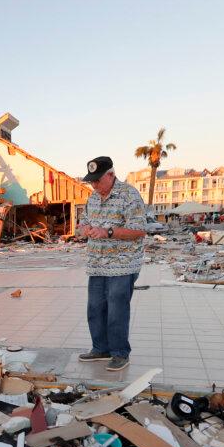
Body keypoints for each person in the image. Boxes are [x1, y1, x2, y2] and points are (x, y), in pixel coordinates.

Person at [76, 156, 149, 371]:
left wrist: (108, 232)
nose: (95, 185)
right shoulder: (93, 198)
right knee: (95, 308)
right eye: (92, 181)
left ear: (111, 174)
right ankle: (100, 349)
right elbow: (83, 222)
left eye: (98, 180)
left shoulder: (129, 195)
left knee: (117, 310)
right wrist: (85, 230)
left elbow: (139, 230)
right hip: (97, 263)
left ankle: (119, 353)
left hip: (122, 264)